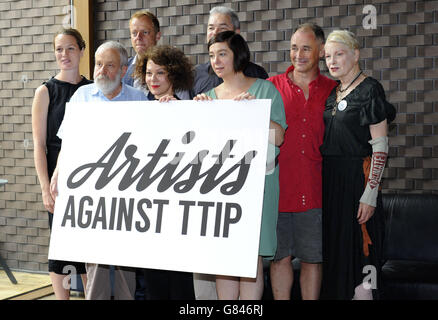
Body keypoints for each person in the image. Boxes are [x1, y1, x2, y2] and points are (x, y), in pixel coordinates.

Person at [50, 40, 147, 300]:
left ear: (124, 70)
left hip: (128, 192)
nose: (101, 70)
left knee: (126, 262)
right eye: (98, 64)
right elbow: (67, 141)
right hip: (93, 192)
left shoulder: (139, 99)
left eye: (110, 65)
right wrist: (59, 171)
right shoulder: (81, 97)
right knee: (95, 263)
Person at [193, 31, 287, 300]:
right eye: (212, 56)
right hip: (219, 190)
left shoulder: (264, 89)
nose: (216, 61)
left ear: (238, 55)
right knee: (225, 258)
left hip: (257, 187)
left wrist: (256, 110)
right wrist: (196, 115)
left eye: (222, 54)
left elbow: (279, 138)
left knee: (249, 258)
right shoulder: (207, 96)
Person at [320, 29, 396, 300]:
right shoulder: (334, 92)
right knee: (337, 257)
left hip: (357, 183)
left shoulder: (370, 89)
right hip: (332, 185)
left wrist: (370, 194)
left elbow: (380, 145)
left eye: (339, 54)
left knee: (362, 257)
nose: (332, 61)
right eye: (327, 56)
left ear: (355, 54)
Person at [267, 23, 336, 300]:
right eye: (294, 48)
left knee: (312, 259)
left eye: (306, 48)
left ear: (320, 51)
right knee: (279, 259)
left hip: (317, 191)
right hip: (277, 191)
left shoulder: (335, 89)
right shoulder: (271, 87)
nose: (299, 54)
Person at [31, 28, 91, 300]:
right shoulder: (45, 92)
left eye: (70, 48)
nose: (64, 54)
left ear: (81, 50)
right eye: (59, 49)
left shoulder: (92, 90)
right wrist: (45, 188)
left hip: (89, 178)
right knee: (61, 247)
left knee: (89, 247)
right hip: (58, 184)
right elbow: (39, 146)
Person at [133, 44, 195, 299]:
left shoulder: (190, 109)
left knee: (180, 284)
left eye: (160, 73)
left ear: (174, 75)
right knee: (153, 282)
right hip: (150, 212)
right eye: (149, 73)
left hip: (179, 213)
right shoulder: (140, 112)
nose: (153, 79)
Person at [192, 6, 269, 97]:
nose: (215, 33)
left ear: (236, 33)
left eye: (222, 28)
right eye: (211, 28)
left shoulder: (257, 74)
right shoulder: (195, 75)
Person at [122, 9, 161, 93]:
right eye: (134, 33)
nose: (138, 37)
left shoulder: (170, 68)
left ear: (157, 36)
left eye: (145, 32)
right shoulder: (122, 69)